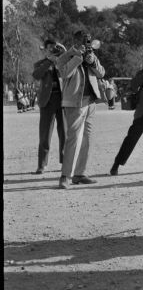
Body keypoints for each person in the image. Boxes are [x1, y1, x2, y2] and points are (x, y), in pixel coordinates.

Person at [57, 30, 105, 189]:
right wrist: (78, 58)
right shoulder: (66, 56)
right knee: (73, 139)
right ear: (76, 42)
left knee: (87, 139)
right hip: (75, 103)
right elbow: (64, 73)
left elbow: (101, 73)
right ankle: (65, 176)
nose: (87, 44)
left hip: (91, 102)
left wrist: (92, 62)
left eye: (88, 41)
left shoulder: (92, 54)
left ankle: (79, 173)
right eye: (84, 41)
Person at [32, 39, 67, 174]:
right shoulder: (40, 63)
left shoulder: (62, 62)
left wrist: (64, 53)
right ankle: (41, 164)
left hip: (63, 99)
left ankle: (65, 162)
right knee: (45, 134)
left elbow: (70, 71)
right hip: (47, 100)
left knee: (64, 132)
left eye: (55, 48)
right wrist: (49, 61)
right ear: (45, 49)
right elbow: (36, 75)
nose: (53, 50)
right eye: (50, 48)